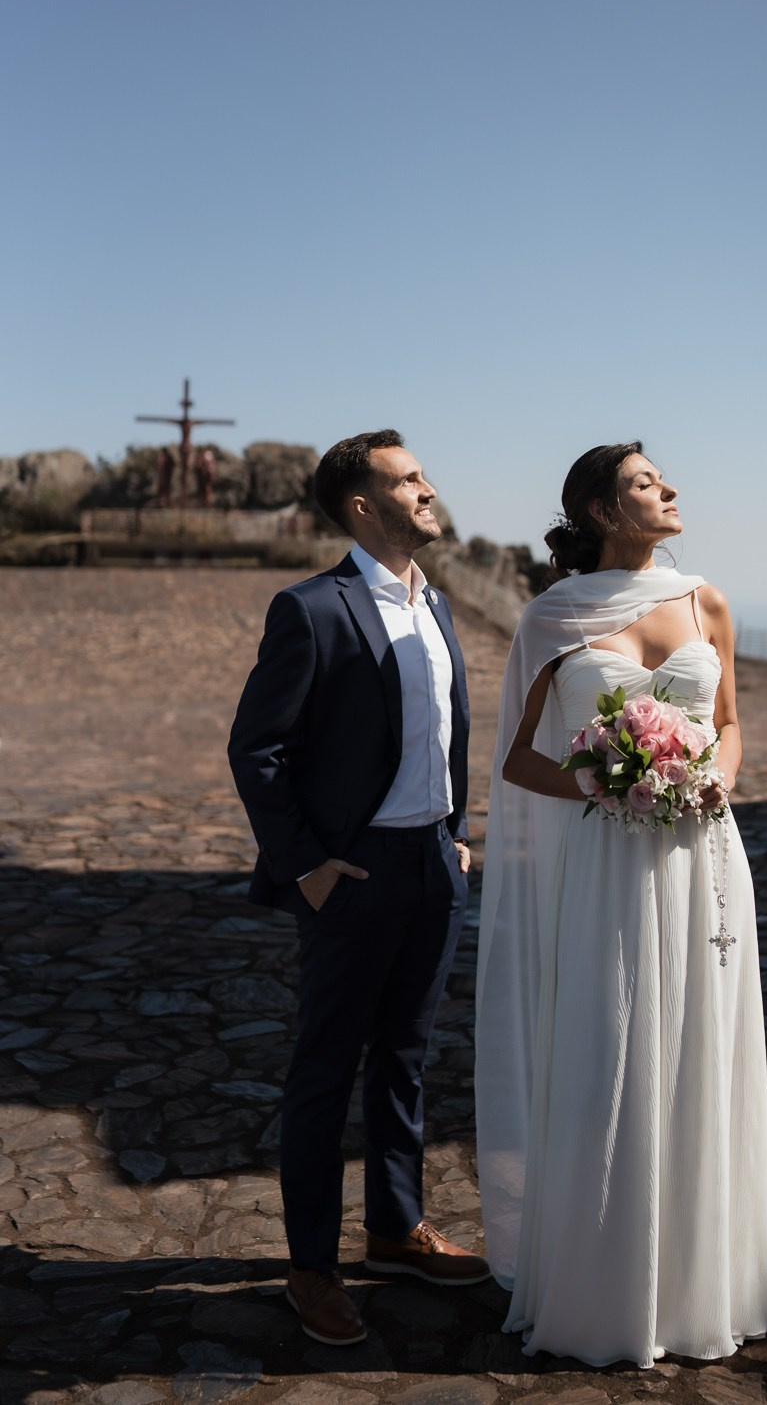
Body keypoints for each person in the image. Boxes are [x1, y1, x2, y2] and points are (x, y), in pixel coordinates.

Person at [475, 442, 767, 1369]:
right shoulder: (551, 617)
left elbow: (728, 724)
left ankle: (703, 1286)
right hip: (606, 859)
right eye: (649, 483)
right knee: (609, 1052)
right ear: (601, 511)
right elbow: (520, 759)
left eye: (663, 480)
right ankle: (601, 1292)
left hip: (704, 855)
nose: (671, 490)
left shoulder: (706, 600)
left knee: (700, 1046)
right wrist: (615, 785)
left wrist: (710, 784)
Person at [229, 429, 489, 1349]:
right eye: (409, 479)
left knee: (406, 1060)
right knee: (325, 1071)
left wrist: (452, 835)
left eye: (423, 474)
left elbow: (438, 738)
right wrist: (307, 865)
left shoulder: (442, 606)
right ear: (364, 507)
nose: (429, 489)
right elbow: (255, 750)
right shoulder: (312, 609)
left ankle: (394, 1227)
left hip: (434, 869)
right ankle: (311, 1267)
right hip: (354, 874)